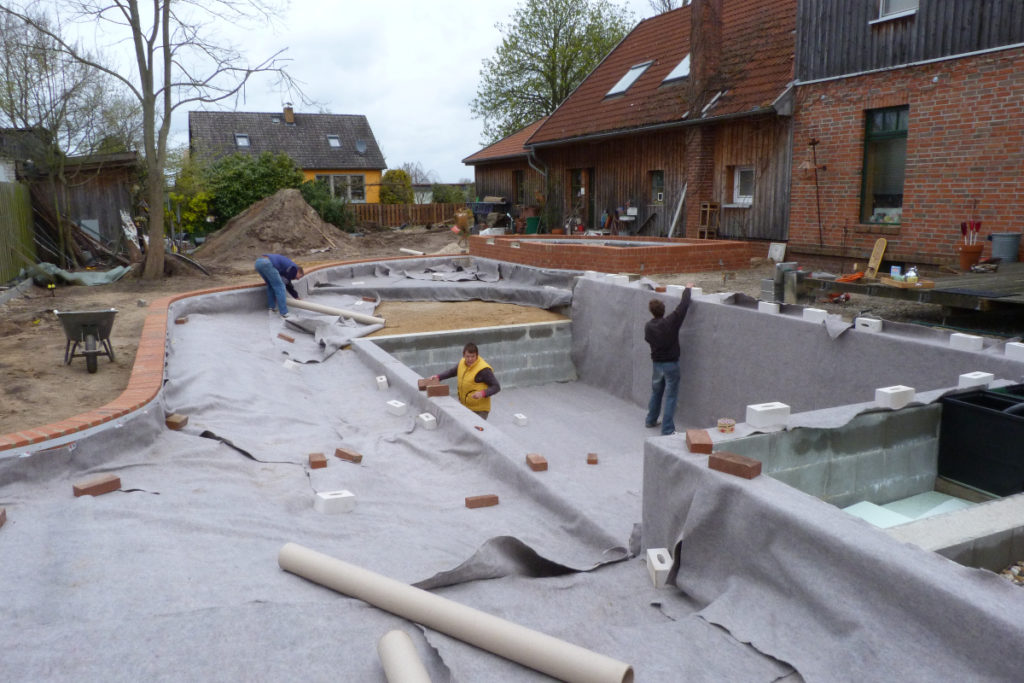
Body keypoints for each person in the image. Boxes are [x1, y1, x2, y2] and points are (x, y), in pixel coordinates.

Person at [644, 286, 693, 435]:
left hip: (657, 364)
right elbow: (683, 306)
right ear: (663, 311)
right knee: (671, 396)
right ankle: (667, 429)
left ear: (651, 311)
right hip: (671, 364)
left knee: (656, 392)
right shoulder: (670, 322)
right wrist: (688, 289)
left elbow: (648, 340)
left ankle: (651, 420)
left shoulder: (648, 326)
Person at [431, 342, 500, 420]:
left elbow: (496, 386)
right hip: (465, 407)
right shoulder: (462, 363)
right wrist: (438, 377)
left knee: (475, 431)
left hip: (479, 411)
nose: (470, 359)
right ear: (463, 355)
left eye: (473, 356)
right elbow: (452, 372)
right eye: (467, 356)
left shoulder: (483, 370)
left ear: (477, 355)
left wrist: (483, 393)